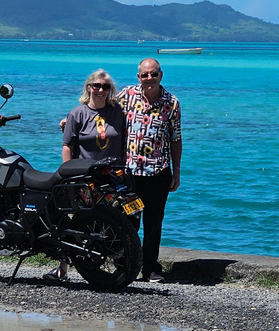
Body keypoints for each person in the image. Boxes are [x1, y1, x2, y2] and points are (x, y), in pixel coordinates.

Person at [44, 69, 125, 281]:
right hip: (83, 176)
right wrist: (68, 173)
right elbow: (67, 146)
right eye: (96, 86)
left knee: (117, 219)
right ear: (88, 87)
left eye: (105, 87)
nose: (100, 90)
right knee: (75, 220)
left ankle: (120, 265)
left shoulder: (118, 110)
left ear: (110, 90)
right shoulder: (77, 114)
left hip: (112, 176)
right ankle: (63, 267)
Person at [117, 58, 182, 283]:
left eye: (153, 74)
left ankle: (150, 268)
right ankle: (125, 264)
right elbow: (101, 111)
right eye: (145, 75)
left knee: (153, 223)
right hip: (130, 173)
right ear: (138, 77)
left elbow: (176, 139)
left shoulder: (171, 103)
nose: (149, 78)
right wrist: (73, 119)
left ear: (160, 75)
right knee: (129, 220)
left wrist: (177, 172)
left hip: (158, 172)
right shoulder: (126, 95)